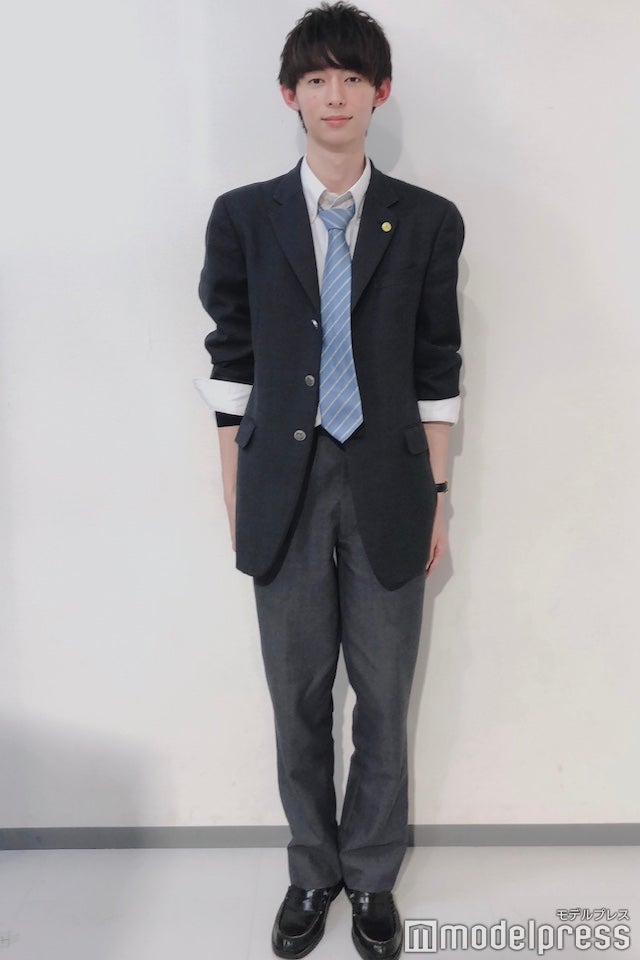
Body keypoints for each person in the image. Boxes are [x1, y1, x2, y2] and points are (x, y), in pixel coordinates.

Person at [194, 3, 465, 957]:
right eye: (317, 78)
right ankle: (313, 871)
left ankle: (373, 876)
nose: (335, 94)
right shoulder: (244, 216)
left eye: (353, 77)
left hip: (391, 484)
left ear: (380, 91)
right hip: (283, 485)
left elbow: (438, 365)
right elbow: (231, 358)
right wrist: (237, 491)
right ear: (290, 95)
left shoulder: (428, 220)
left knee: (384, 696)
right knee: (298, 694)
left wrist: (439, 496)